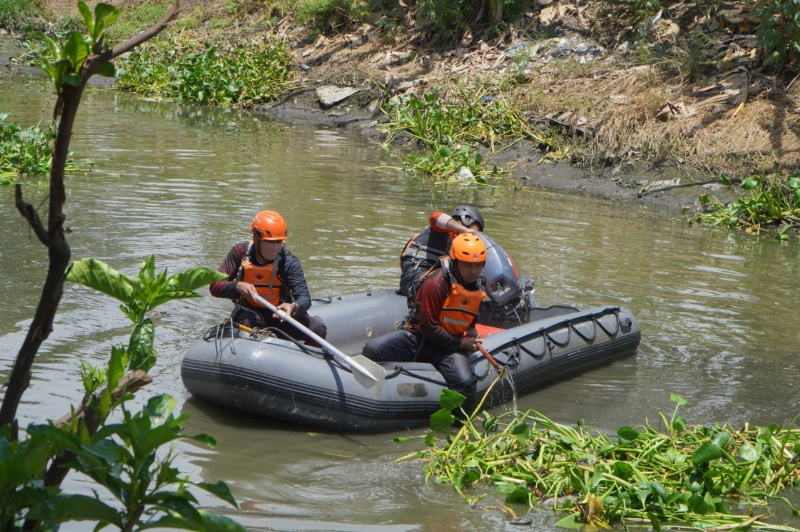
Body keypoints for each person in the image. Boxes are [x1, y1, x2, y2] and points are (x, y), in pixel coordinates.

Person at [364, 233, 487, 398]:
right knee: (372, 350)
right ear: (456, 262)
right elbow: (428, 327)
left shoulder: (477, 283)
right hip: (418, 338)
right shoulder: (436, 284)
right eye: (467, 265)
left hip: (447, 347)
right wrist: (462, 343)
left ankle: (461, 422)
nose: (473, 271)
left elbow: (470, 308)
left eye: (478, 266)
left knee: (465, 383)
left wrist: (471, 328)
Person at [209, 210, 327, 344]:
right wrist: (237, 286)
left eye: (279, 241)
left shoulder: (289, 262)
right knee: (247, 324)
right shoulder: (239, 253)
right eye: (270, 242)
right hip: (250, 311)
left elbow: (305, 298)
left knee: (318, 329)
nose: (275, 247)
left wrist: (293, 307)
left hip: (279, 315)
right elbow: (215, 287)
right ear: (256, 238)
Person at [398, 205, 485, 299]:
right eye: (471, 232)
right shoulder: (441, 229)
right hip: (415, 278)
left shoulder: (468, 246)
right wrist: (464, 230)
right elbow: (435, 216)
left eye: (475, 234)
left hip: (436, 278)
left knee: (480, 282)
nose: (471, 236)